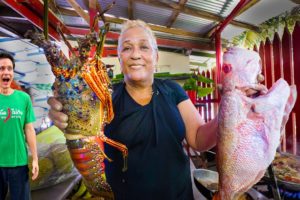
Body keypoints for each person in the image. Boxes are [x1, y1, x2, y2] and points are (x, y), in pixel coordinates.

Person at [47, 20, 261, 199]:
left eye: (144, 47)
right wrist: (66, 115)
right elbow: (83, 130)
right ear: (120, 59)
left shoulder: (173, 90)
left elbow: (198, 139)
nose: (135, 54)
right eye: (127, 47)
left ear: (156, 57)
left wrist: (233, 106)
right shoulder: (106, 97)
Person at [0, 51, 39, 200]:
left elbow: (29, 129)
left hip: (19, 163)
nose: (6, 72)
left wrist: (35, 158)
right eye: (2, 68)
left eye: (9, 68)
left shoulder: (24, 98)